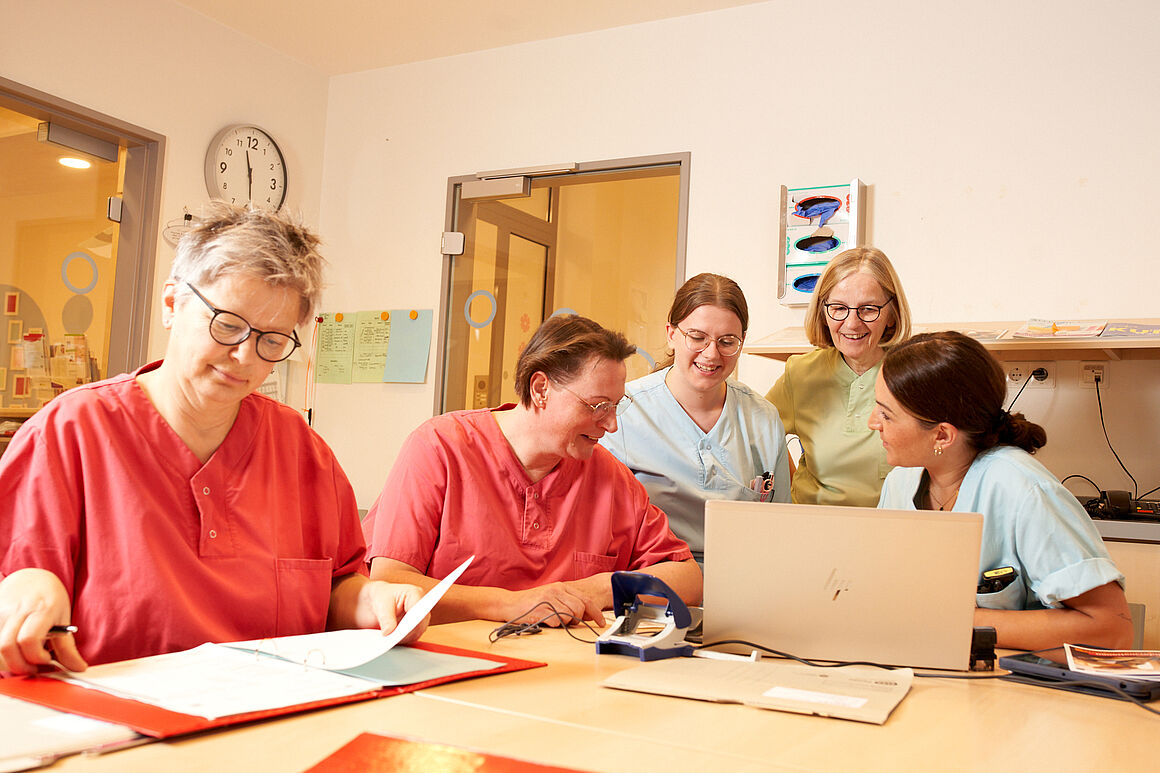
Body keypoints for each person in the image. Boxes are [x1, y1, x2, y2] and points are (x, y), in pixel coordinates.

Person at [0, 203, 426, 675]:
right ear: (171, 305)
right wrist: (29, 588)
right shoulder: (72, 433)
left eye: (272, 340)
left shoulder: (302, 452)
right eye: (227, 324)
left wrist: (376, 599)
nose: (245, 356)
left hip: (278, 704)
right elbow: (20, 578)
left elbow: (337, 589)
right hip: (117, 709)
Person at [363, 314, 701, 626]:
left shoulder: (607, 476)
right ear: (540, 389)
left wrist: (593, 590)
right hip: (451, 660)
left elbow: (687, 578)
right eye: (597, 406)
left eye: (616, 406)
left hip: (565, 664)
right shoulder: (440, 448)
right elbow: (390, 582)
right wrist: (511, 604)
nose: (611, 425)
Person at [871, 331, 1133, 650]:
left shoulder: (1023, 489)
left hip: (1014, 676)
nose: (873, 423)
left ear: (942, 435)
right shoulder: (901, 483)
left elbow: (1111, 629)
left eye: (886, 414)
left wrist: (955, 620)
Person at [600, 273, 791, 563]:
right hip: (653, 574)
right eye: (698, 337)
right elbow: (598, 524)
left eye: (727, 341)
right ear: (671, 334)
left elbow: (780, 525)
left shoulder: (762, 418)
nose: (711, 354)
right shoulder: (624, 411)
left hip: (743, 574)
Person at [767, 247, 912, 506]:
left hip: (891, 524)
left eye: (868, 309)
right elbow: (755, 438)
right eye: (838, 308)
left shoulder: (917, 375)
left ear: (892, 314)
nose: (852, 323)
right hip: (811, 522)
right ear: (823, 312)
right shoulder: (799, 374)